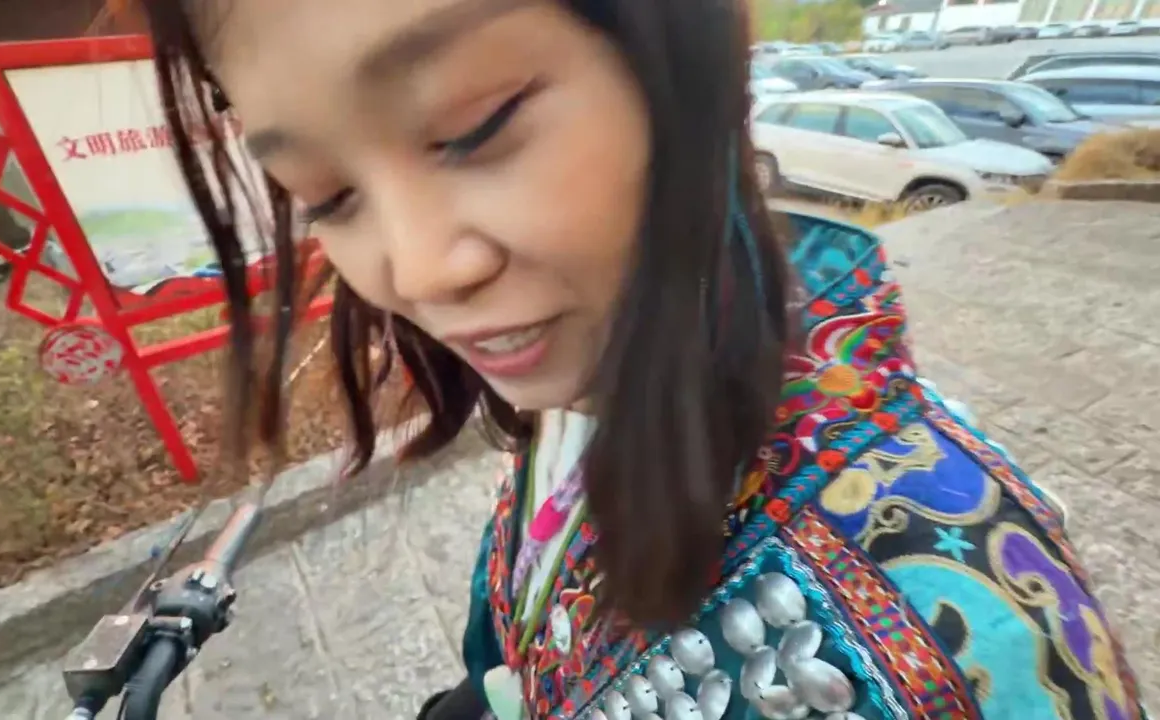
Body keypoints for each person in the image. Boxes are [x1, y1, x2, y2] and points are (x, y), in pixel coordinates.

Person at [139, 0, 1146, 718]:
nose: (416, 271)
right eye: (326, 196)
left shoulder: (966, 633)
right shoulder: (588, 373)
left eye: (476, 125)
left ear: (688, 55)